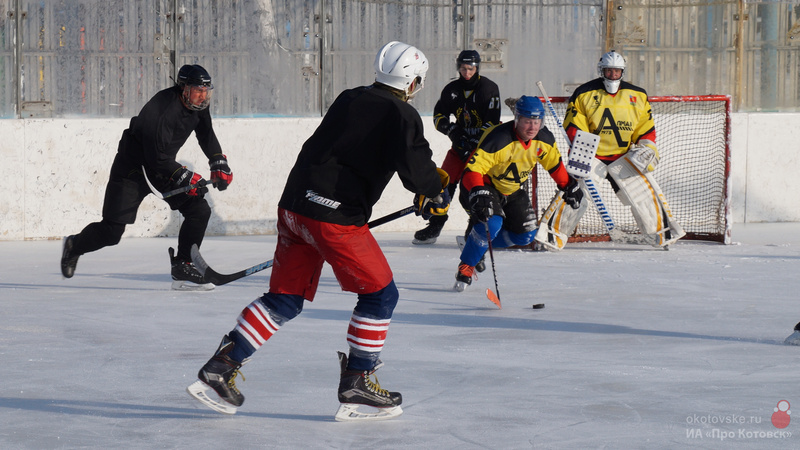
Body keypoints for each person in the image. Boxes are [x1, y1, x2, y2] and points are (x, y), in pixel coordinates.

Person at [186, 41, 450, 421]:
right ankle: (357, 382)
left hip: (294, 207)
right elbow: (416, 169)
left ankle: (220, 368)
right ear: (412, 81)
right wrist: (436, 191)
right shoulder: (402, 115)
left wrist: (426, 188)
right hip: (334, 217)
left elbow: (361, 150)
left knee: (285, 299)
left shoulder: (349, 97)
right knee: (380, 295)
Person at [60, 64, 233, 291]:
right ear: (183, 88)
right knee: (112, 232)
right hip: (132, 169)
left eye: (206, 91)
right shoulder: (161, 109)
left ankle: (183, 265)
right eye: (197, 90)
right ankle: (75, 245)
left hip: (161, 166)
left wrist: (217, 160)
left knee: (199, 209)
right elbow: (155, 158)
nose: (202, 96)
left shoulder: (198, 105)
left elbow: (206, 133)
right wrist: (185, 176)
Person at [535, 50, 684, 251]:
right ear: (601, 71)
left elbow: (645, 128)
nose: (612, 75)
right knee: (574, 193)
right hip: (592, 155)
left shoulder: (637, 95)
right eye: (608, 71)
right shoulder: (584, 93)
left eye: (616, 71)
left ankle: (662, 234)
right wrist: (580, 149)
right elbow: (573, 124)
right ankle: (550, 236)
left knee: (643, 193)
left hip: (623, 155)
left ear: (622, 72)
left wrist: (647, 148)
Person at [454, 95, 582, 292]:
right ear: (517, 119)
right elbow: (472, 171)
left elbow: (554, 166)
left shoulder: (544, 140)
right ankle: (466, 267)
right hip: (486, 186)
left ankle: (475, 243)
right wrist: (479, 192)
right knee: (492, 225)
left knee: (527, 235)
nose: (532, 127)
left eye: (536, 121)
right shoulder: (499, 139)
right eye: (527, 121)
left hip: (512, 190)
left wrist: (568, 185)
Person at [412, 49, 501, 245]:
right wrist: (453, 132)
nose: (467, 73)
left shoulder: (489, 88)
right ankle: (437, 223)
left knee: (471, 191)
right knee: (442, 185)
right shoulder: (451, 89)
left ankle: (474, 228)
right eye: (463, 68)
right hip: (458, 148)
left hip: (481, 152)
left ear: (477, 68)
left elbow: (493, 122)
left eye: (470, 68)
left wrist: (474, 141)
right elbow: (439, 116)